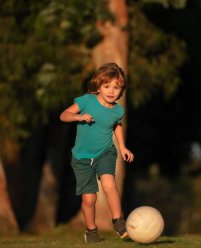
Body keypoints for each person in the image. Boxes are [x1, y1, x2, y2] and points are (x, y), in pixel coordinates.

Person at [60, 62, 134, 243]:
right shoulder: (86, 101)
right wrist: (78, 116)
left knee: (109, 184)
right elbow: (64, 115)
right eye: (106, 86)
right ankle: (91, 232)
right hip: (82, 158)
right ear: (98, 86)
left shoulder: (118, 110)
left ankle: (118, 222)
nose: (111, 91)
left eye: (116, 87)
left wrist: (122, 147)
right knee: (89, 199)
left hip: (105, 152)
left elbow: (117, 125)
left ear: (121, 90)